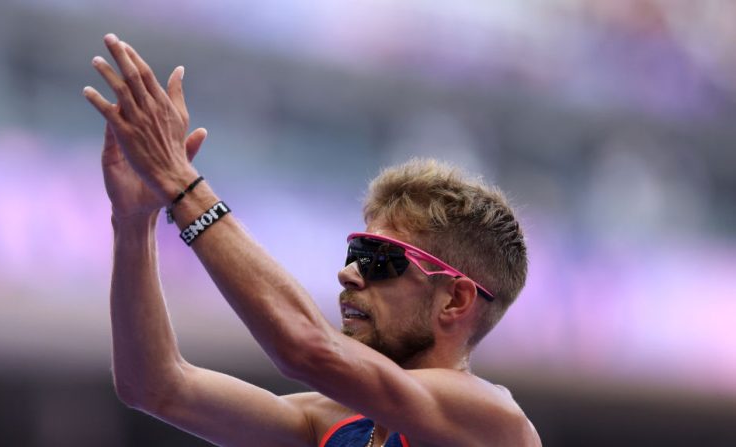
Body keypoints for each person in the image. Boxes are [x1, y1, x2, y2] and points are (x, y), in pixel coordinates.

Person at [83, 33, 541, 447]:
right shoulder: (334, 423)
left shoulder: (493, 422)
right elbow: (155, 386)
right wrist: (133, 219)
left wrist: (180, 184)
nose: (348, 273)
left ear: (455, 301)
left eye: (379, 258)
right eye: (355, 251)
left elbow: (307, 347)